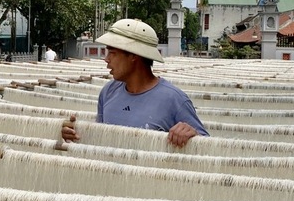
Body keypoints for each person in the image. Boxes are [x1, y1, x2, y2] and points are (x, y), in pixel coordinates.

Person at [61, 18, 208, 148]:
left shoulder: (174, 100)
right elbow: (101, 139)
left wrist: (191, 134)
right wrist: (76, 134)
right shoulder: (108, 92)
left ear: (133, 56)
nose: (106, 59)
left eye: (112, 53)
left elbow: (206, 147)